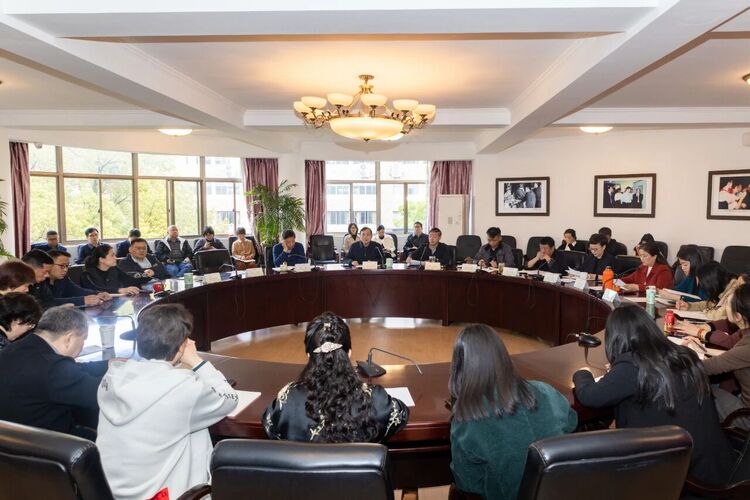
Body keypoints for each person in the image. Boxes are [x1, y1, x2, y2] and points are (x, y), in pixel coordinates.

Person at [573, 305, 734, 486]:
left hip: (678, 480)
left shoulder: (632, 365)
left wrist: (582, 373)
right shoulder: (685, 354)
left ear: (615, 338)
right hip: (713, 466)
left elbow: (590, 396)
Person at [97, 303, 238, 500]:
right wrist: (196, 361)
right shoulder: (182, 388)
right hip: (162, 495)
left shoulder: (113, 377)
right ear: (181, 346)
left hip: (112, 492)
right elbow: (229, 399)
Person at [449, 325, 577, 499]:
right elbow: (571, 422)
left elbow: (468, 483)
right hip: (560, 492)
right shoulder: (545, 390)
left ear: (460, 368)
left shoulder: (466, 419)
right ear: (502, 355)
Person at [263, 312, 408, 442]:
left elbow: (269, 426)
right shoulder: (375, 399)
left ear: (308, 355)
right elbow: (402, 413)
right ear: (349, 353)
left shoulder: (287, 399)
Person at [0, 307, 109, 438]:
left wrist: (108, 364)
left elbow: (70, 371)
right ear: (69, 338)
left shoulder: (15, 348)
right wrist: (124, 373)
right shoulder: (54, 368)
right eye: (83, 339)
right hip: (49, 443)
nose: (83, 344)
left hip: (11, 437)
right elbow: (103, 394)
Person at [676, 263, 742, 321]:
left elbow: (718, 316)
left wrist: (706, 311)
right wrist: (689, 306)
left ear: (711, 284)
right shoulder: (723, 287)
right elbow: (711, 304)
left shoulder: (734, 292)